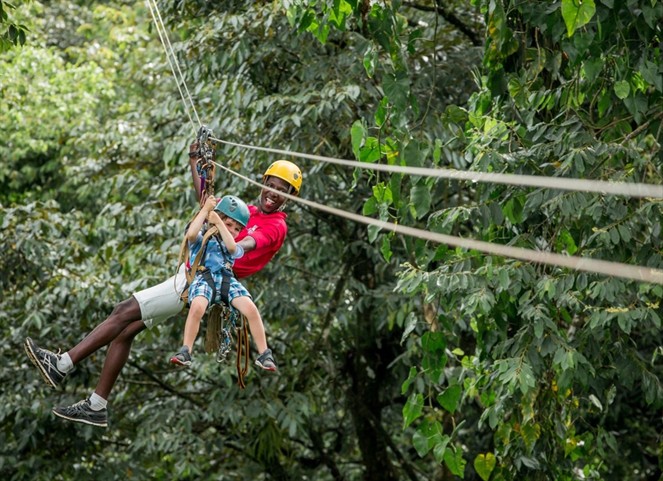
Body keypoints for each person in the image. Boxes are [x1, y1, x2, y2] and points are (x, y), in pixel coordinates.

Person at [24, 141, 303, 428]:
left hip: (199, 281)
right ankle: (97, 406)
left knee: (122, 311)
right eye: (272, 185)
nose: (274, 193)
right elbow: (206, 201)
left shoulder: (276, 226)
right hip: (193, 277)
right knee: (125, 331)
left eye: (283, 191)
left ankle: (62, 364)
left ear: (290, 197)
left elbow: (242, 245)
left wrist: (225, 235)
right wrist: (196, 159)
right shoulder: (251, 211)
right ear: (264, 182)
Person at [169, 193, 275, 371]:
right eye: (229, 225)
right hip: (204, 277)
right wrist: (205, 210)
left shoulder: (231, 243)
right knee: (197, 307)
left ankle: (264, 353)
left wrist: (219, 222)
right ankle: (186, 349)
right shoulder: (203, 236)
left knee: (250, 308)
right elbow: (191, 234)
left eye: (237, 228)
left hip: (226, 280)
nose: (233, 231)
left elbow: (233, 247)